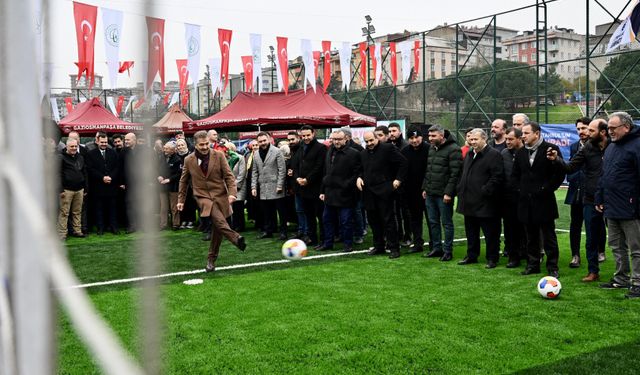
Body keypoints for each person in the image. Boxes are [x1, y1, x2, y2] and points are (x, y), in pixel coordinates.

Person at [548, 118, 608, 282]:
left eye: (590, 130)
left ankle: (624, 274)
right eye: (582, 129)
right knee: (590, 236)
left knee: (620, 238)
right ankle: (593, 271)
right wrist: (557, 159)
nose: (586, 133)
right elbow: (570, 167)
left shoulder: (616, 147)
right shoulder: (587, 148)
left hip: (614, 198)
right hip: (591, 198)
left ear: (603, 132)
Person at [177, 130, 246, 272]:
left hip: (220, 195)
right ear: (195, 145)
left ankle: (211, 260)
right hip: (202, 197)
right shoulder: (188, 160)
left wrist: (232, 193)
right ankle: (235, 238)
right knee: (218, 219)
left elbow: (229, 176)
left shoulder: (219, 155)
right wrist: (181, 200)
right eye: (201, 145)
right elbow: (183, 181)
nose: (204, 147)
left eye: (206, 144)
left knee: (217, 230)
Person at [511, 122, 565, 277]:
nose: (523, 136)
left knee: (549, 237)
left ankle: (552, 267)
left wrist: (546, 189)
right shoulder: (521, 152)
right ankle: (533, 264)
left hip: (544, 201)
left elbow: (559, 174)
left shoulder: (551, 149)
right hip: (525, 202)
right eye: (522, 133)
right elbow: (515, 175)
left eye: (526, 133)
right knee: (531, 236)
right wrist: (520, 189)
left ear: (537, 133)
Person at [595, 112, 640, 298]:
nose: (609, 131)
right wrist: (600, 197)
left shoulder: (637, 146)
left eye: (613, 128)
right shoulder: (611, 147)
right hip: (611, 206)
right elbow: (604, 175)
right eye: (608, 128)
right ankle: (621, 278)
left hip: (631, 207)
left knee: (636, 248)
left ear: (626, 127)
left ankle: (637, 282)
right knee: (616, 245)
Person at [456, 129, 504, 268]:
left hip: (486, 203)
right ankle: (471, 255)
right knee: (471, 232)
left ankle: (492, 258)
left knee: (491, 234)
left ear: (484, 139)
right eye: (471, 139)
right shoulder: (470, 154)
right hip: (468, 202)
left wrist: (485, 191)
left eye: (476, 139)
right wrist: (460, 188)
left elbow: (497, 177)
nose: (473, 142)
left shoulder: (494, 155)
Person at [358, 131, 408, 259]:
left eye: (371, 140)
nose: (369, 143)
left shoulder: (388, 148)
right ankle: (378, 246)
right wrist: (359, 177)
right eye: (367, 141)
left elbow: (403, 163)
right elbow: (362, 169)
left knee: (388, 220)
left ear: (376, 139)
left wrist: (398, 180)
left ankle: (394, 248)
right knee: (373, 221)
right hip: (368, 192)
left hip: (385, 191)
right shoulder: (363, 153)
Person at [422, 125, 462, 261]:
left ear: (442, 135)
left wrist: (449, 193)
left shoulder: (454, 149)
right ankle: (437, 248)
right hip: (430, 192)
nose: (430, 138)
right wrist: (425, 188)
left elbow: (455, 174)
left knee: (446, 223)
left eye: (433, 136)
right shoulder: (431, 149)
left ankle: (448, 251)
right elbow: (428, 170)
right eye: (429, 136)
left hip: (444, 195)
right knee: (433, 222)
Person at [318, 130, 361, 252]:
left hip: (346, 194)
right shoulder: (329, 151)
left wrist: (346, 185)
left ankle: (348, 244)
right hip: (330, 193)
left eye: (339, 139)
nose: (336, 141)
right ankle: (328, 243)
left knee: (346, 221)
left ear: (345, 139)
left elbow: (357, 173)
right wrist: (322, 190)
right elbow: (325, 172)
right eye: (334, 139)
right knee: (327, 220)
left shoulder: (354, 153)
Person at [293, 125, 326, 247]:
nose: (306, 138)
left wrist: (307, 179)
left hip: (316, 188)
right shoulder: (300, 147)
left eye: (308, 135)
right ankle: (312, 238)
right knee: (308, 215)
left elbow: (319, 167)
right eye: (303, 135)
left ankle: (324, 239)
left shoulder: (321, 148)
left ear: (314, 133)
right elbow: (295, 165)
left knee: (321, 216)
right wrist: (297, 178)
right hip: (303, 188)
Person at [565, 117, 591, 268]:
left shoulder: (598, 145)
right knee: (575, 224)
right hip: (576, 191)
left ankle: (597, 253)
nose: (581, 131)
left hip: (591, 192)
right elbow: (572, 168)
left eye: (584, 128)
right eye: (578, 129)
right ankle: (575, 255)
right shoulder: (574, 146)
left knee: (593, 224)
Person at [251, 132, 288, 240]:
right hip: (263, 187)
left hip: (276, 186)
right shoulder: (256, 154)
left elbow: (282, 170)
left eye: (264, 140)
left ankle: (283, 232)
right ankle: (268, 231)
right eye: (260, 141)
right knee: (266, 211)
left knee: (281, 212)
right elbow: (254, 171)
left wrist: (280, 185)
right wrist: (253, 187)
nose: (263, 143)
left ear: (269, 140)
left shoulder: (277, 151)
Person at [400, 128, 431, 253]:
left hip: (427, 191)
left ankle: (435, 242)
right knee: (415, 219)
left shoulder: (430, 149)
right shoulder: (405, 151)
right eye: (411, 138)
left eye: (416, 137)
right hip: (411, 192)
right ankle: (418, 243)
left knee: (431, 219)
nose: (414, 140)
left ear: (421, 137)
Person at [501, 127, 527, 268]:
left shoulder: (527, 153)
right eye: (506, 139)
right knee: (510, 229)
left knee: (527, 228)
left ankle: (529, 255)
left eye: (510, 139)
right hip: (508, 199)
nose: (507, 142)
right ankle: (513, 257)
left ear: (519, 139)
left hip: (525, 198)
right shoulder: (504, 153)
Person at [85, 132, 120, 235]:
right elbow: (90, 169)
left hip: (111, 186)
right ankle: (100, 228)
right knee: (99, 209)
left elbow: (117, 167)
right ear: (97, 141)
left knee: (112, 208)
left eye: (105, 142)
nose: (104, 144)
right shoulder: (91, 154)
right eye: (102, 142)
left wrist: (111, 177)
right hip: (98, 186)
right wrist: (102, 177)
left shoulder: (113, 153)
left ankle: (114, 227)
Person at [57, 138, 87, 240]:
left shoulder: (80, 157)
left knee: (77, 211)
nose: (74, 148)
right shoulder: (61, 157)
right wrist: (60, 189)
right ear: (67, 147)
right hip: (66, 190)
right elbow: (57, 174)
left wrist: (85, 188)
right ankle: (62, 234)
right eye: (72, 146)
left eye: (75, 146)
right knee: (64, 212)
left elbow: (84, 172)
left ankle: (77, 231)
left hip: (79, 189)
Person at [286, 131, 307, 239]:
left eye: (292, 139)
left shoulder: (302, 149)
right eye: (289, 140)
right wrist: (291, 171)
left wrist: (294, 172)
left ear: (298, 138)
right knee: (299, 210)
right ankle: (301, 230)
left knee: (304, 210)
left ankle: (306, 231)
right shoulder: (293, 150)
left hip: (304, 184)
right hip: (296, 185)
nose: (291, 142)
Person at [157, 142, 182, 230]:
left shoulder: (177, 159)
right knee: (163, 207)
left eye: (167, 149)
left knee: (174, 207)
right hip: (162, 186)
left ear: (173, 150)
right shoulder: (161, 157)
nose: (165, 150)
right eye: (165, 148)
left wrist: (169, 179)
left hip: (173, 186)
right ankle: (163, 224)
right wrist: (159, 176)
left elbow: (179, 173)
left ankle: (176, 224)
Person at [175, 138, 195, 229]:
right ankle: (183, 220)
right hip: (180, 183)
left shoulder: (191, 155)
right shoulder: (176, 157)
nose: (180, 147)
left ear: (186, 145)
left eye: (182, 145)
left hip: (190, 183)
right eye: (178, 145)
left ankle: (191, 220)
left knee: (190, 203)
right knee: (182, 202)